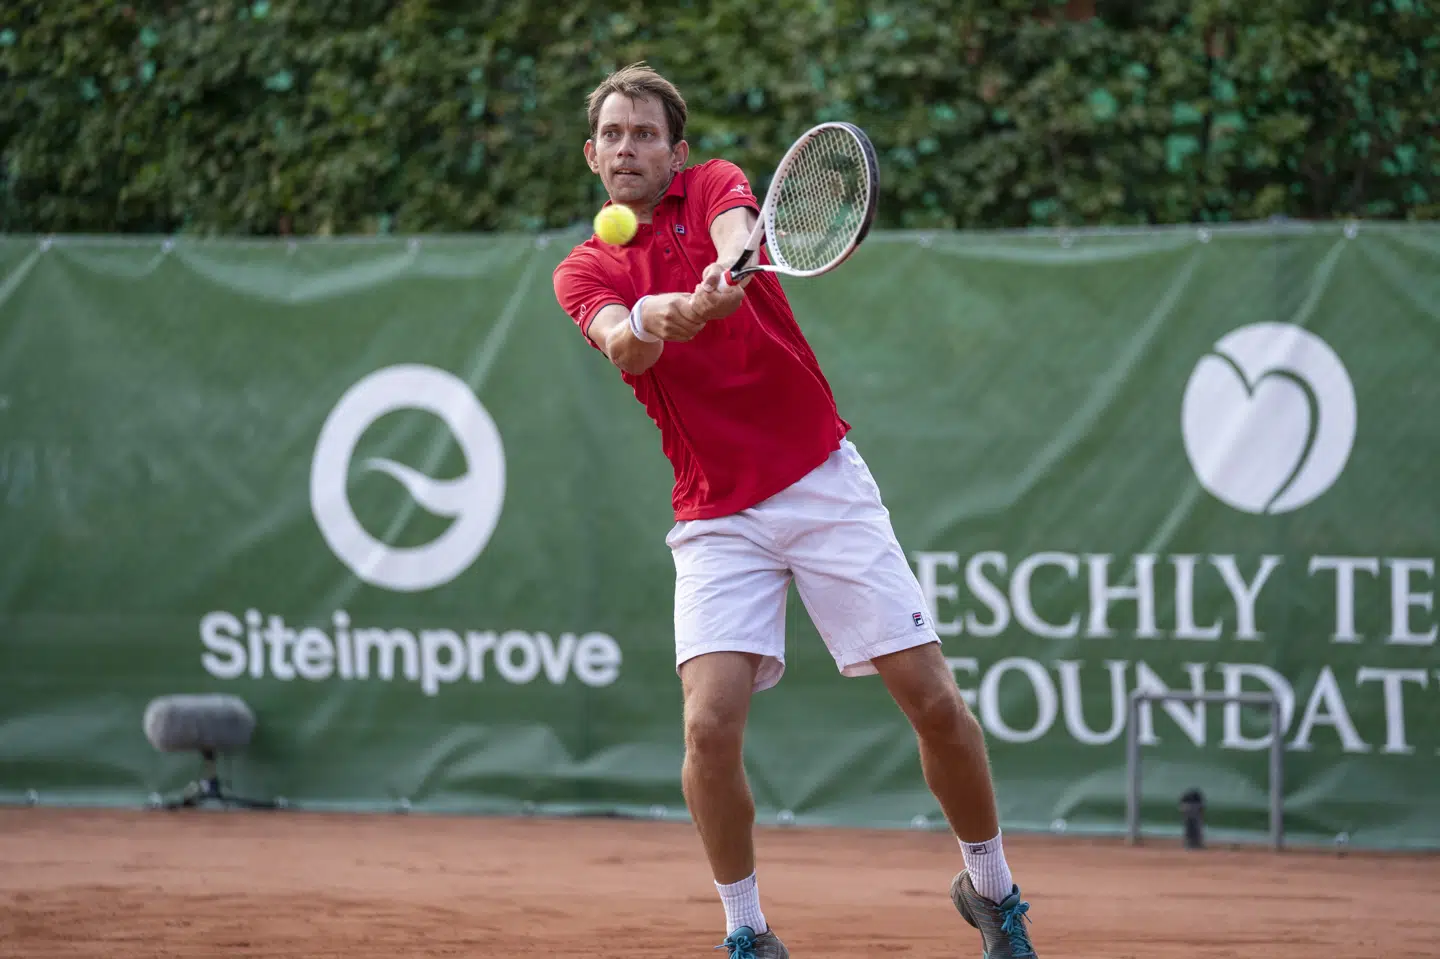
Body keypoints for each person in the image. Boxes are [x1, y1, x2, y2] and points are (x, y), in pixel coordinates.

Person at [551, 62, 1039, 959]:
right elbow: (621, 344)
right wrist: (664, 312)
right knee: (708, 726)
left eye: (646, 134)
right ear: (591, 155)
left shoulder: (716, 184)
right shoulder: (584, 268)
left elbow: (739, 233)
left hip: (821, 481)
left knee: (934, 701)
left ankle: (993, 890)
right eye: (613, 135)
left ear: (676, 153)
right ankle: (746, 930)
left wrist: (725, 273)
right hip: (716, 517)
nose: (628, 149)